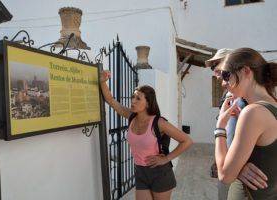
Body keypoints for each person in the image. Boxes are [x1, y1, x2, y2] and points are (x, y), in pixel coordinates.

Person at [100, 70, 193, 200]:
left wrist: (166, 159)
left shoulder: (159, 122)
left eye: (138, 98)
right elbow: (110, 100)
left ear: (148, 103)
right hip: (140, 172)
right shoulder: (131, 117)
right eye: (133, 97)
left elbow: (187, 141)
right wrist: (103, 81)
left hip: (160, 173)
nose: (133, 101)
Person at [214, 48, 277, 199]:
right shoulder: (271, 107)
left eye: (226, 75)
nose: (223, 83)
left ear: (246, 71)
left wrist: (220, 127)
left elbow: (224, 175)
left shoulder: (253, 112)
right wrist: (240, 166)